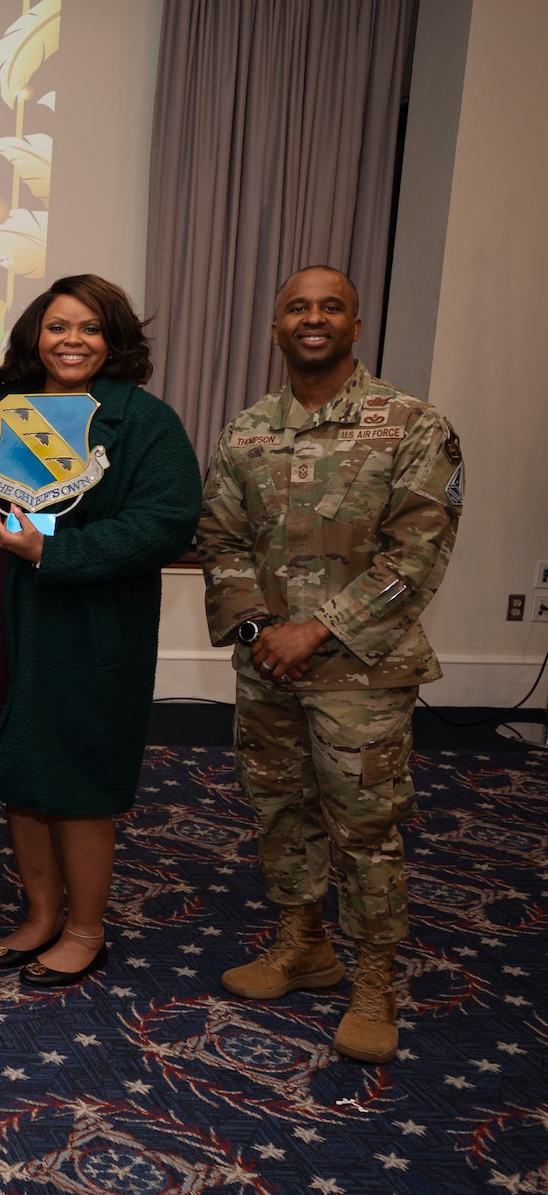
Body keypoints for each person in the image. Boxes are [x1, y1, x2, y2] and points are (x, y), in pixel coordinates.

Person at [199, 265, 462, 1065]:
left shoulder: (412, 425)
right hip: (268, 667)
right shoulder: (247, 429)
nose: (313, 318)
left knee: (366, 827)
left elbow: (418, 552)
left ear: (355, 325)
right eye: (297, 308)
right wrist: (256, 633)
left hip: (364, 672)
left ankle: (375, 979)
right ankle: (302, 945)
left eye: (331, 307)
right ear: (277, 326)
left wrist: (316, 630)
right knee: (280, 810)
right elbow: (222, 541)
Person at [0, 274, 199, 986]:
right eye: (57, 327)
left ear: (115, 340)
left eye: (89, 328)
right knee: (22, 773)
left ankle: (84, 928)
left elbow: (166, 524)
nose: (71, 341)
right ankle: (42, 915)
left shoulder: (143, 422)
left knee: (75, 780)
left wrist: (55, 551)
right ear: (33, 338)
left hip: (82, 627)